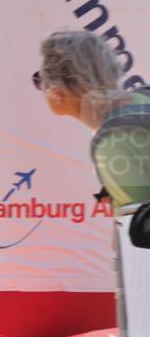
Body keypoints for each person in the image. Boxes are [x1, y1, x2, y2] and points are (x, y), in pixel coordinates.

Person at [34, 30, 150, 208]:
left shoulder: (111, 144)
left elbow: (141, 230)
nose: (40, 87)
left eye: (40, 80)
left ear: (59, 93)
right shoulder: (144, 94)